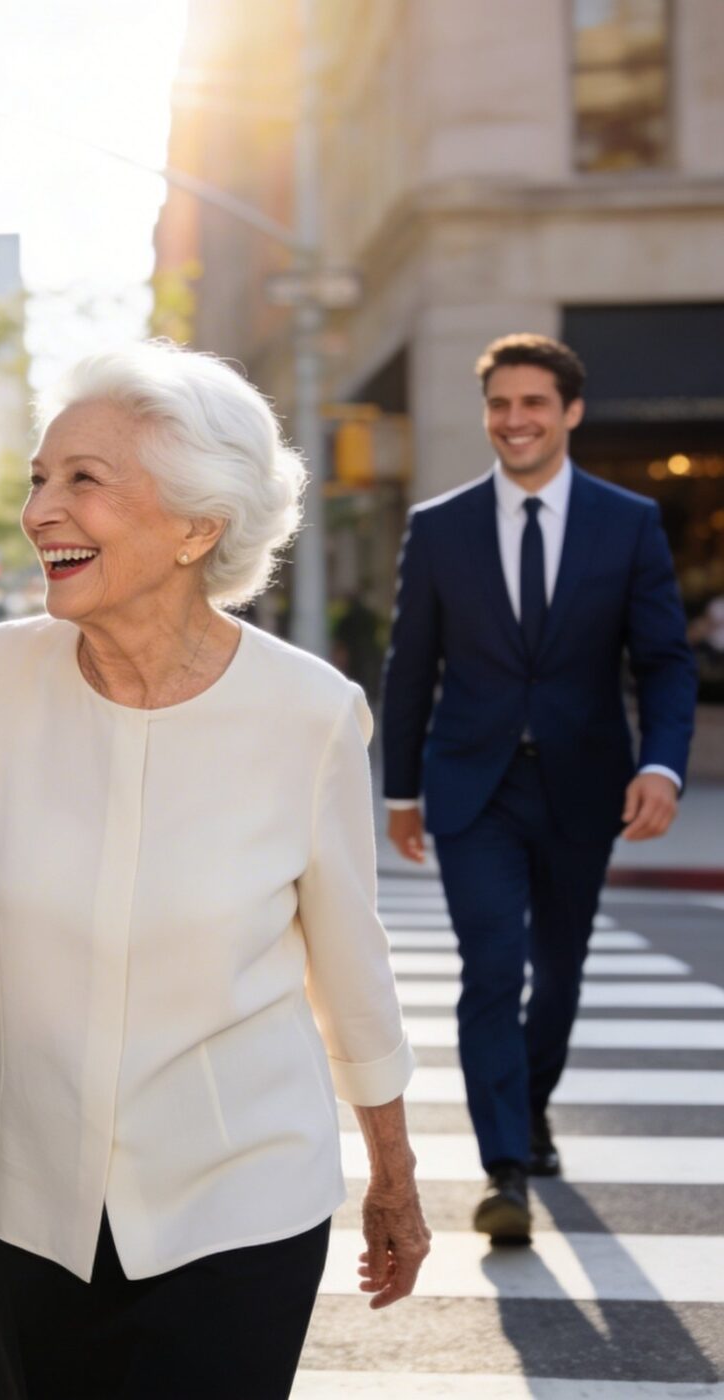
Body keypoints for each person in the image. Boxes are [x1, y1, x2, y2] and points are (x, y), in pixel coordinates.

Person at [0, 342, 431, 1400]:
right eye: (38, 477)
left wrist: (392, 1168)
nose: (40, 510)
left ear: (197, 526)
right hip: (18, 1187)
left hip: (237, 1195)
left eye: (84, 480)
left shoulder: (309, 713)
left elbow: (346, 955)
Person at [381, 333, 696, 1245]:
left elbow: (666, 664)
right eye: (500, 405)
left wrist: (661, 764)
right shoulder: (438, 527)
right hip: (472, 787)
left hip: (584, 786)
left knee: (559, 971)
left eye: (533, 404)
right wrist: (400, 792)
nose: (514, 420)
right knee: (492, 967)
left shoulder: (626, 522)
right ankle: (504, 1166)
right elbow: (411, 670)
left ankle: (531, 1104)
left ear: (570, 413)